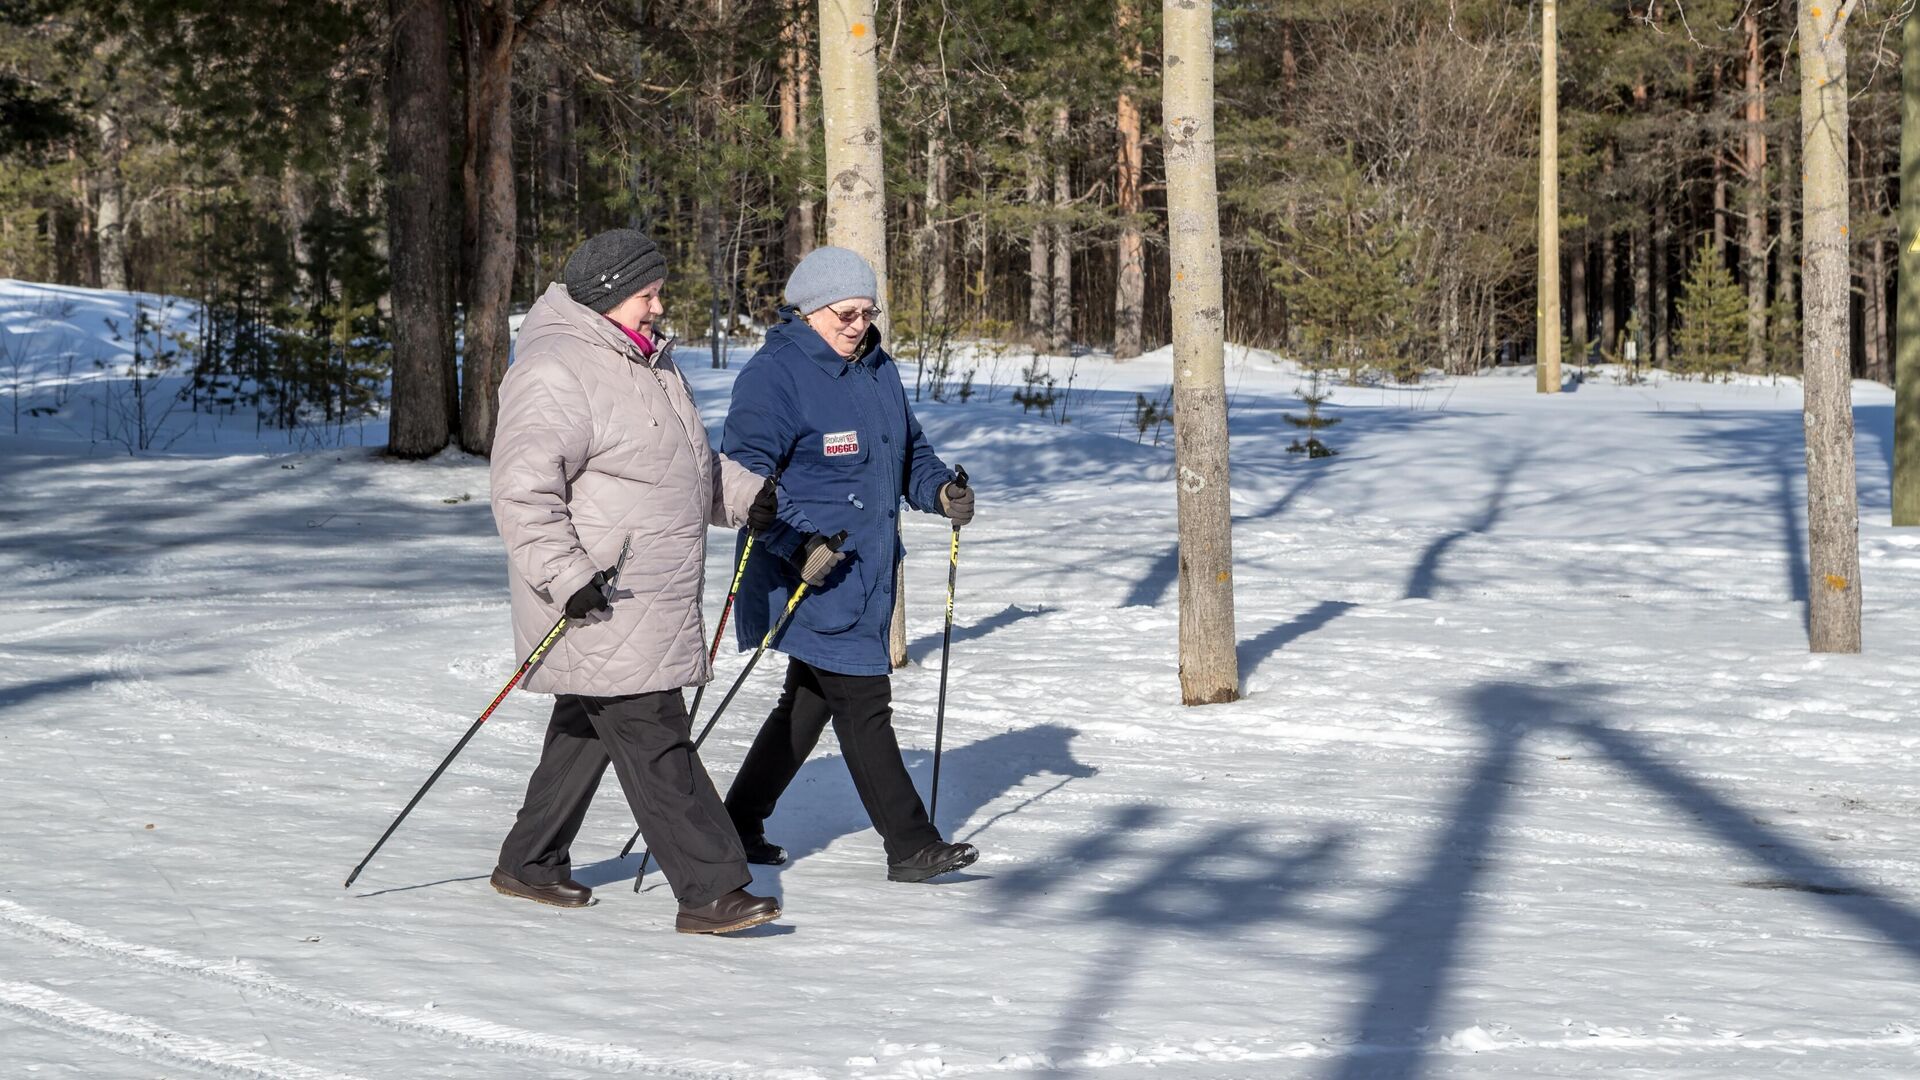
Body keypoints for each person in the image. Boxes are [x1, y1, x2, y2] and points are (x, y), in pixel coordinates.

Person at [488, 228, 783, 934]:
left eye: (657, 292)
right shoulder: (556, 370)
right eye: (645, 294)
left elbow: (679, 463)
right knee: (655, 737)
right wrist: (566, 577)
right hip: (599, 595)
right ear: (604, 296)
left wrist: (742, 496)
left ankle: (529, 861)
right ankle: (712, 889)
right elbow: (522, 492)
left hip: (647, 589)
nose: (657, 305)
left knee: (587, 729)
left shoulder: (645, 362)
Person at [720, 246, 979, 884]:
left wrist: (939, 489)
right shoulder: (774, 376)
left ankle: (734, 825)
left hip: (866, 572)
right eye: (845, 314)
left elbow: (908, 449)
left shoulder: (875, 367)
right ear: (807, 310)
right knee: (865, 702)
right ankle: (912, 845)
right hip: (807, 574)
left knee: (808, 702)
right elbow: (745, 480)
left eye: (866, 312)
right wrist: (799, 543)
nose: (858, 325)